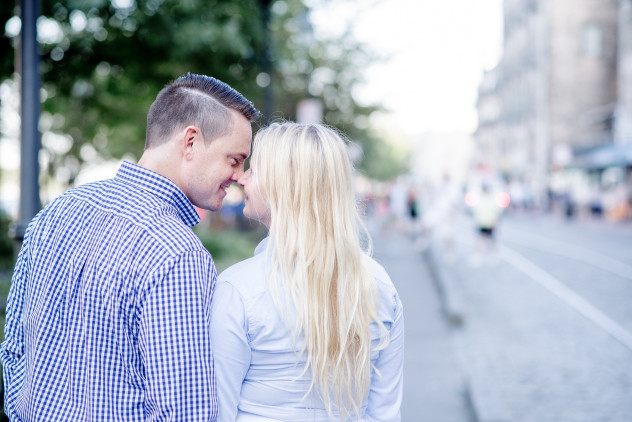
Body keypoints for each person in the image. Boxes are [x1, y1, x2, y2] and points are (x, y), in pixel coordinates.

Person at [0, 73, 260, 421]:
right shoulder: (175, 252)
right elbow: (186, 411)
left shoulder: (60, 209)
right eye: (234, 159)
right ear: (191, 142)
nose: (240, 175)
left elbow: (14, 348)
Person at [210, 122, 404, 422]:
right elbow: (385, 412)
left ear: (285, 186)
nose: (242, 179)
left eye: (255, 170)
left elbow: (218, 410)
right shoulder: (378, 285)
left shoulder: (238, 290)